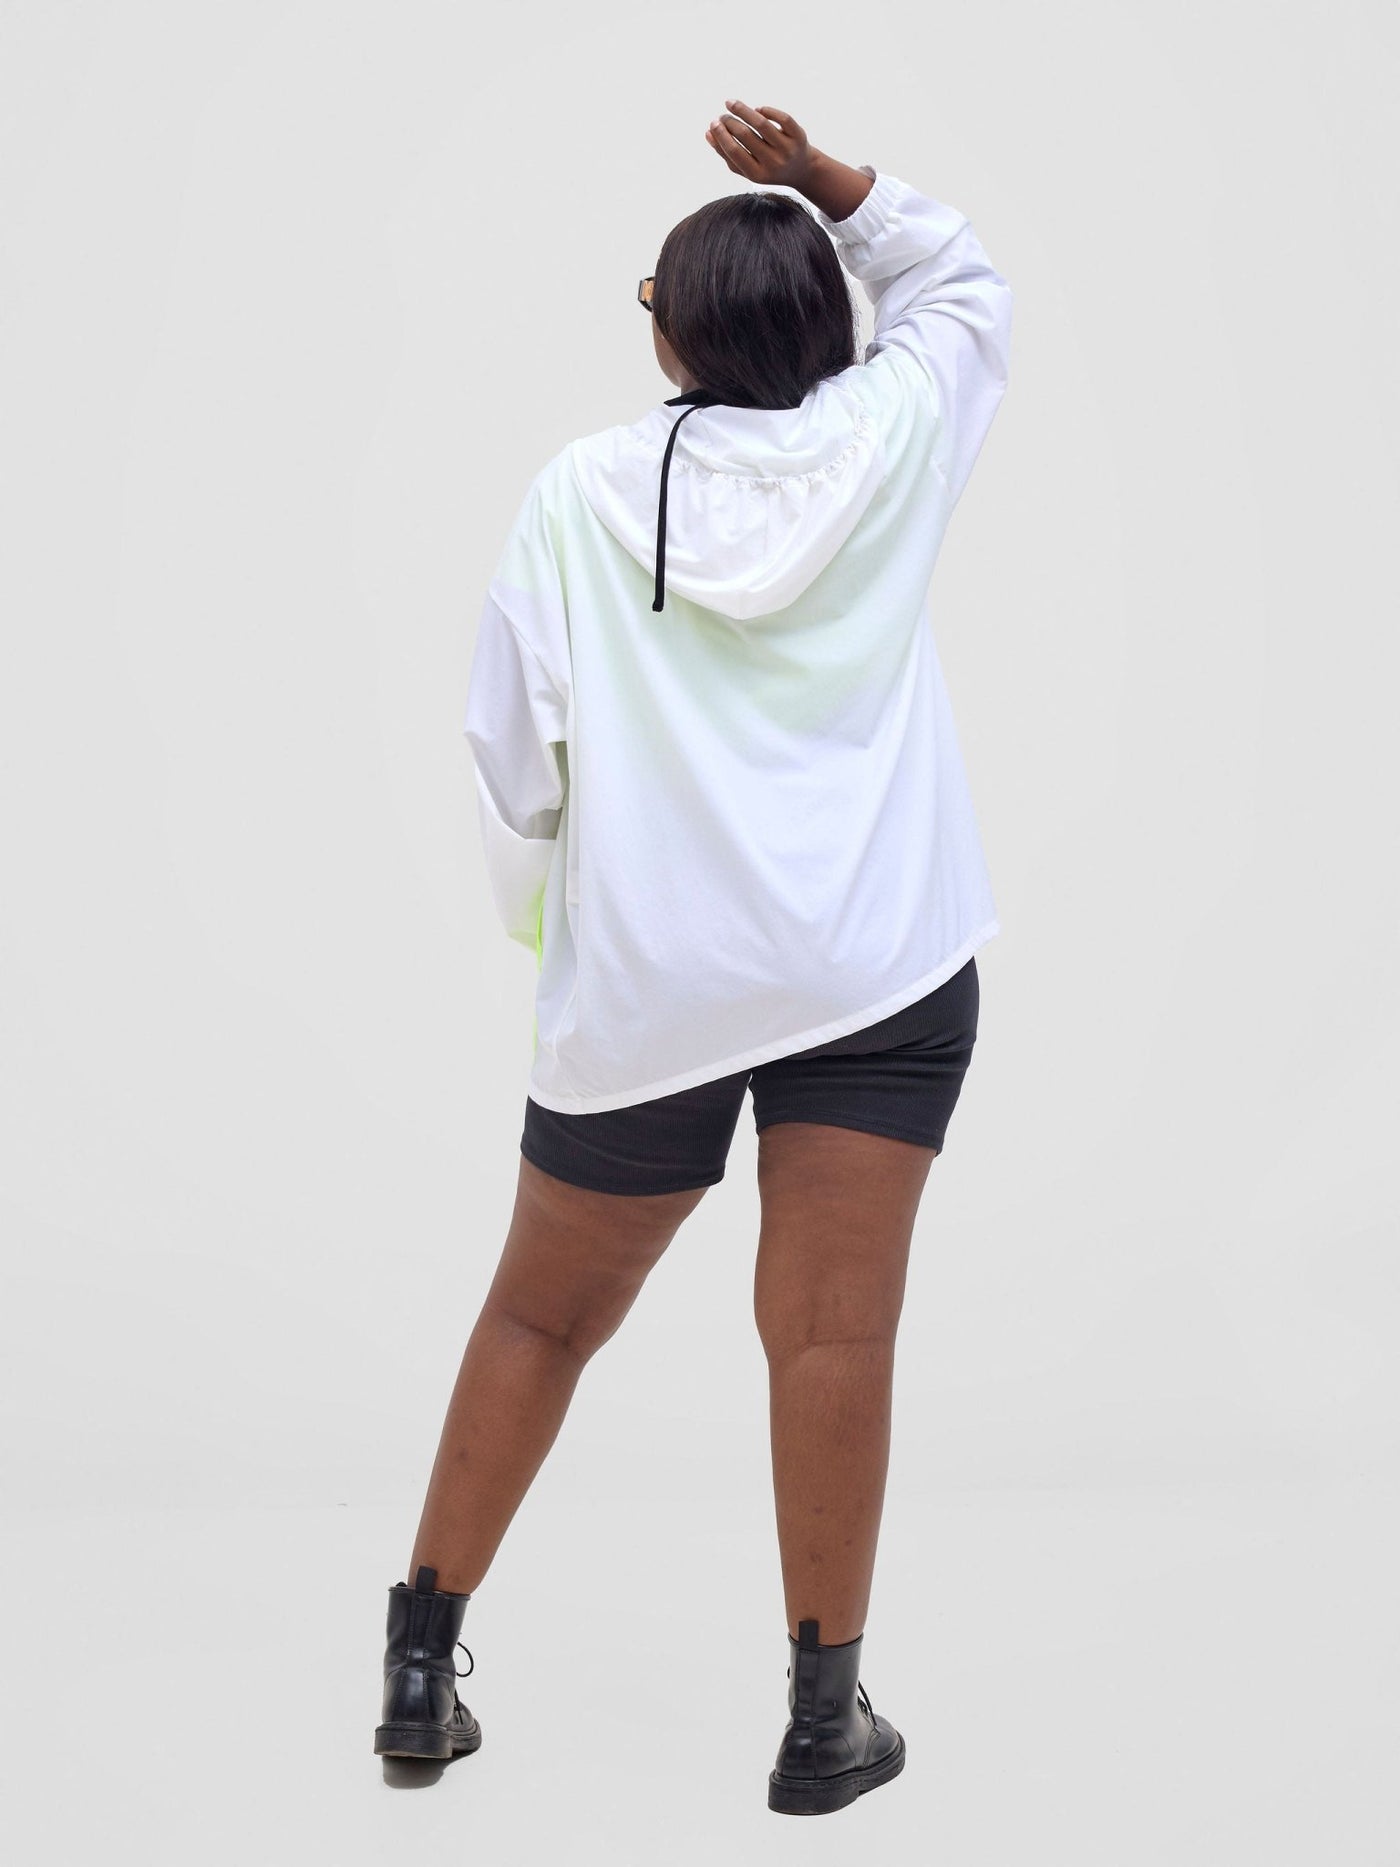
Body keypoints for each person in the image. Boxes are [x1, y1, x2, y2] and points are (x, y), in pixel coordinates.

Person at [373, 99, 1013, 1818]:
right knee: (832, 1337)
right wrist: (822, 181)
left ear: (671, 334)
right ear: (826, 334)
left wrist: (561, 928)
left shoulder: (580, 492)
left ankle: (420, 1672)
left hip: (650, 987)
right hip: (880, 969)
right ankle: (824, 1722)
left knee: (541, 1310)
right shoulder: (896, 432)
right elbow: (963, 284)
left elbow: (511, 760)